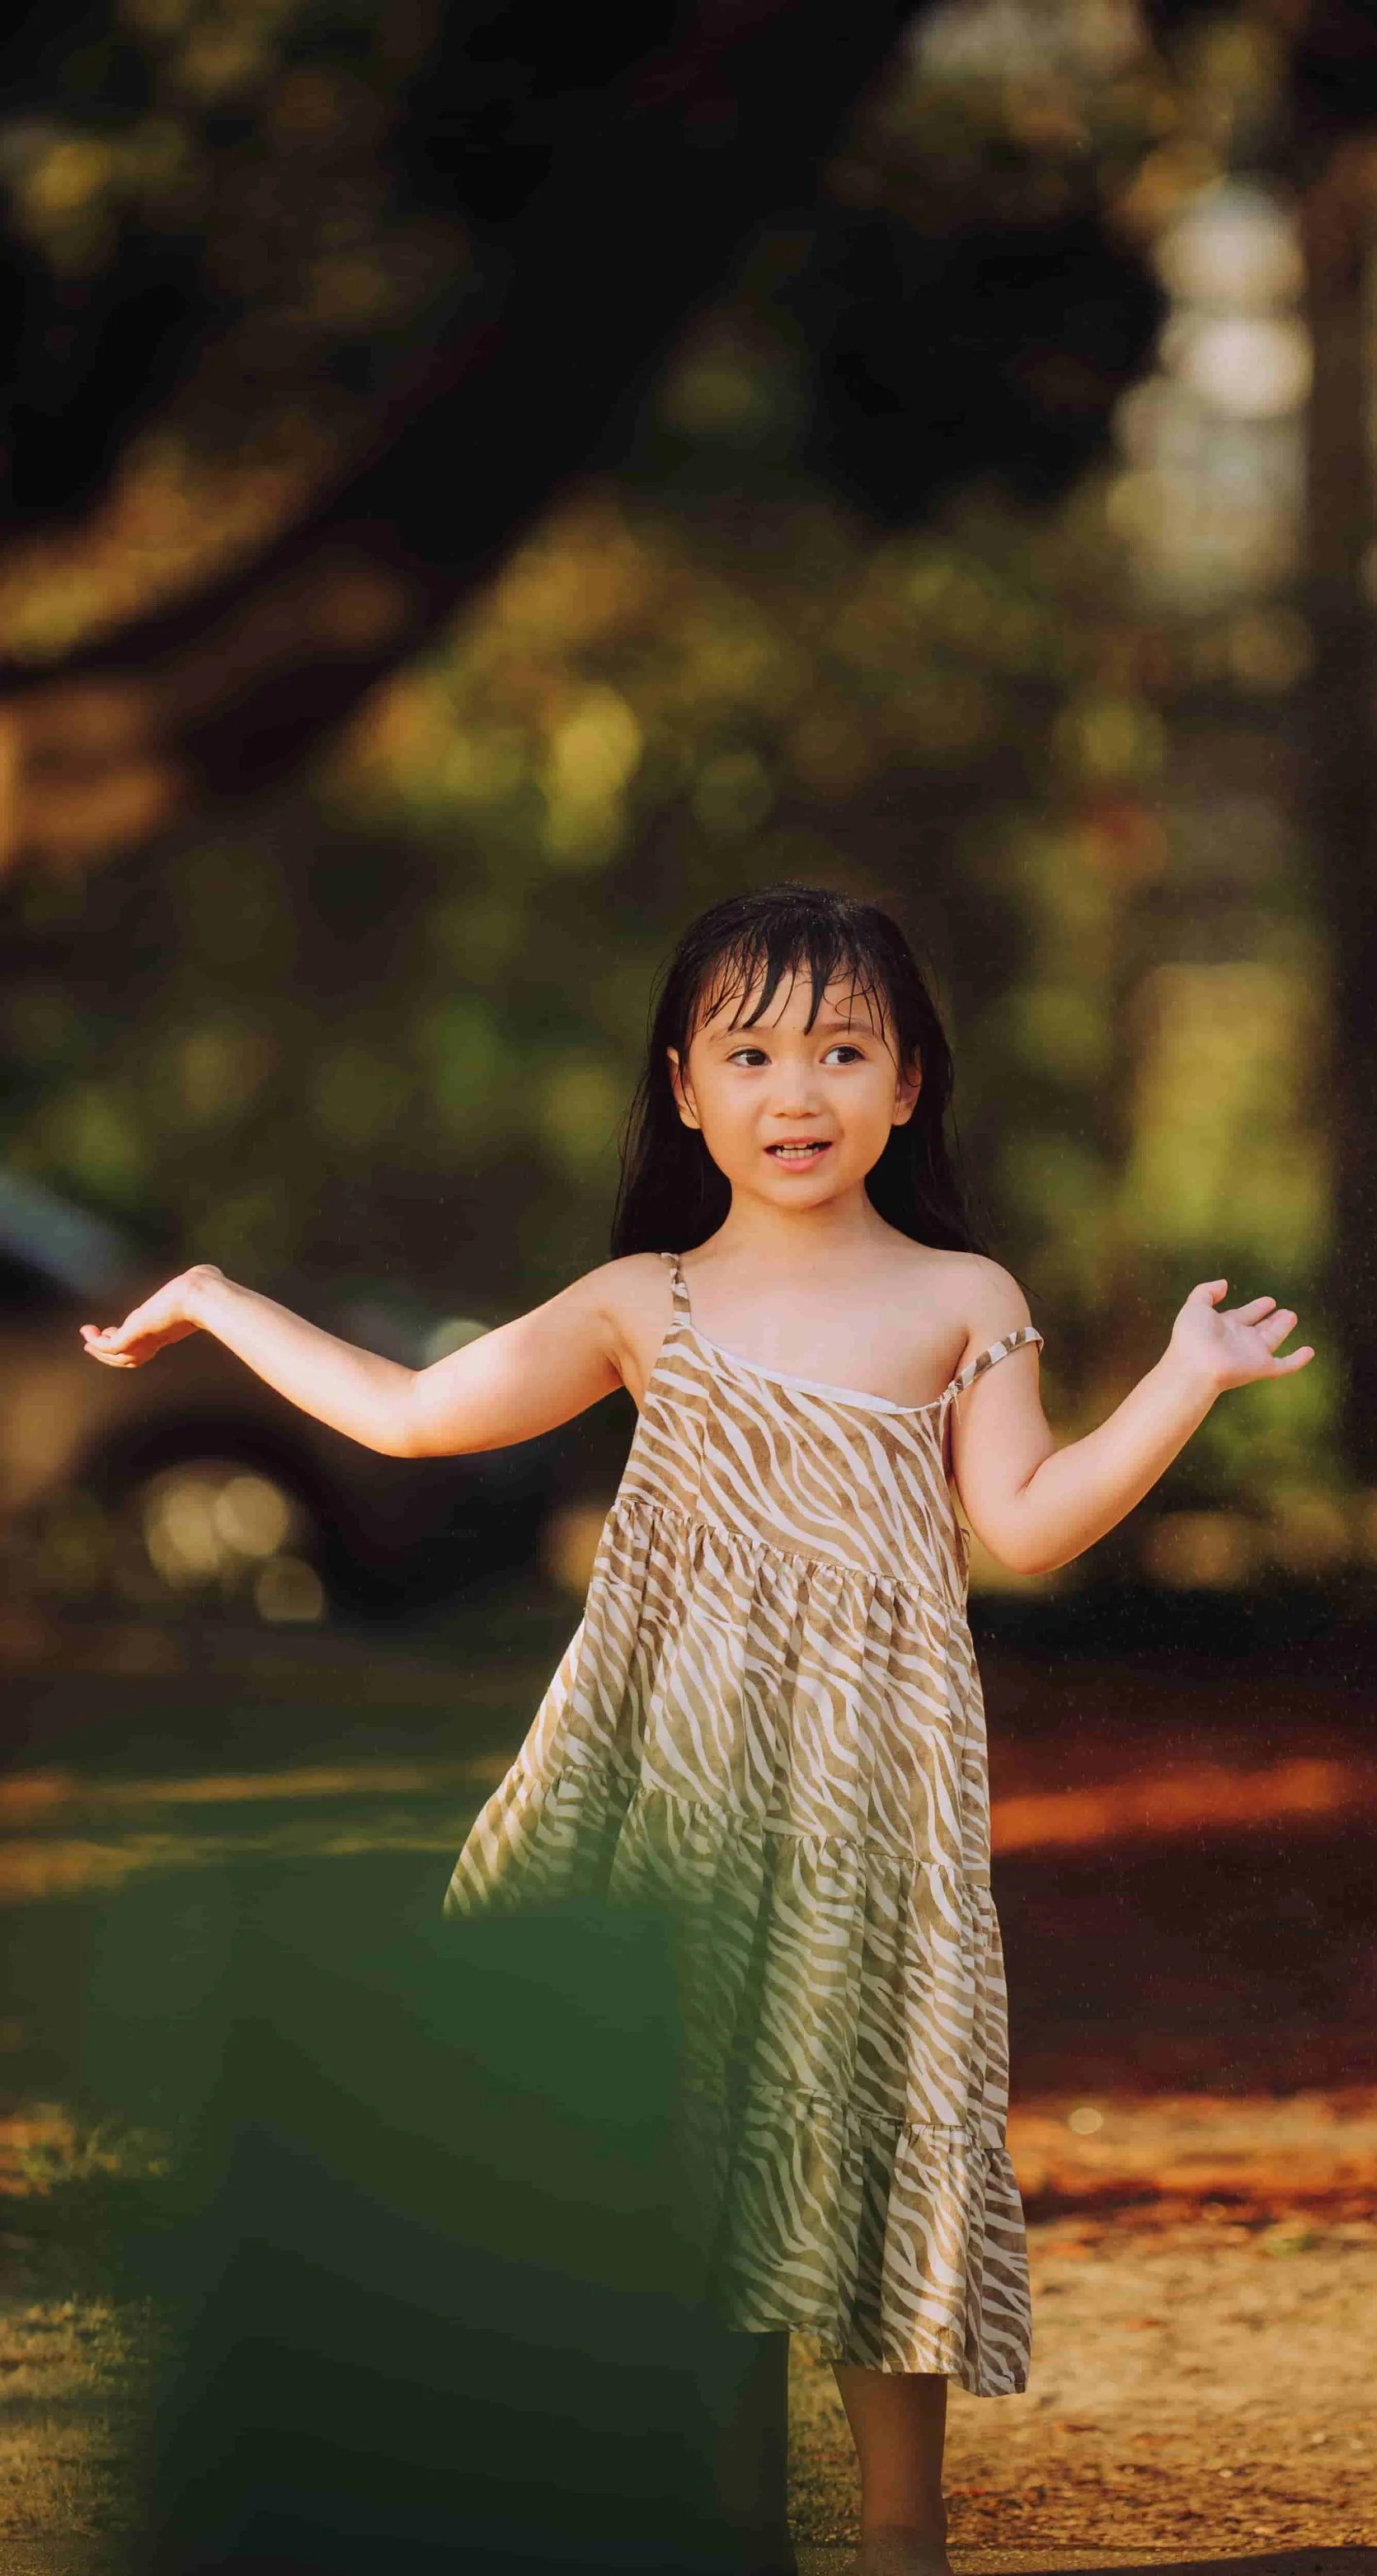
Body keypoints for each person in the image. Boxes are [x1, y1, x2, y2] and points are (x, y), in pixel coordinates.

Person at [82, 881, 1314, 2576]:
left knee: (881, 2117)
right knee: (689, 2138)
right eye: (749, 1051)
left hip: (871, 1797)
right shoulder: (637, 1300)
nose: (792, 1089)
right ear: (683, 1086)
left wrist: (1178, 1374)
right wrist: (217, 1298)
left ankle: (903, 2532)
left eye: (840, 1048)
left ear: (907, 1086)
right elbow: (418, 1412)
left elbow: (1025, 1523)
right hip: (672, 1782)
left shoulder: (962, 1294)